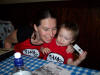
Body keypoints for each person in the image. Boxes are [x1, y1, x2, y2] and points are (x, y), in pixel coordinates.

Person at [4, 8, 73, 57]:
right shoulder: (23, 33)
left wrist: (70, 46)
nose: (51, 34)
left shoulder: (57, 38)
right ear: (36, 27)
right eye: (46, 29)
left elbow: (70, 42)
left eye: (54, 28)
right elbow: (7, 41)